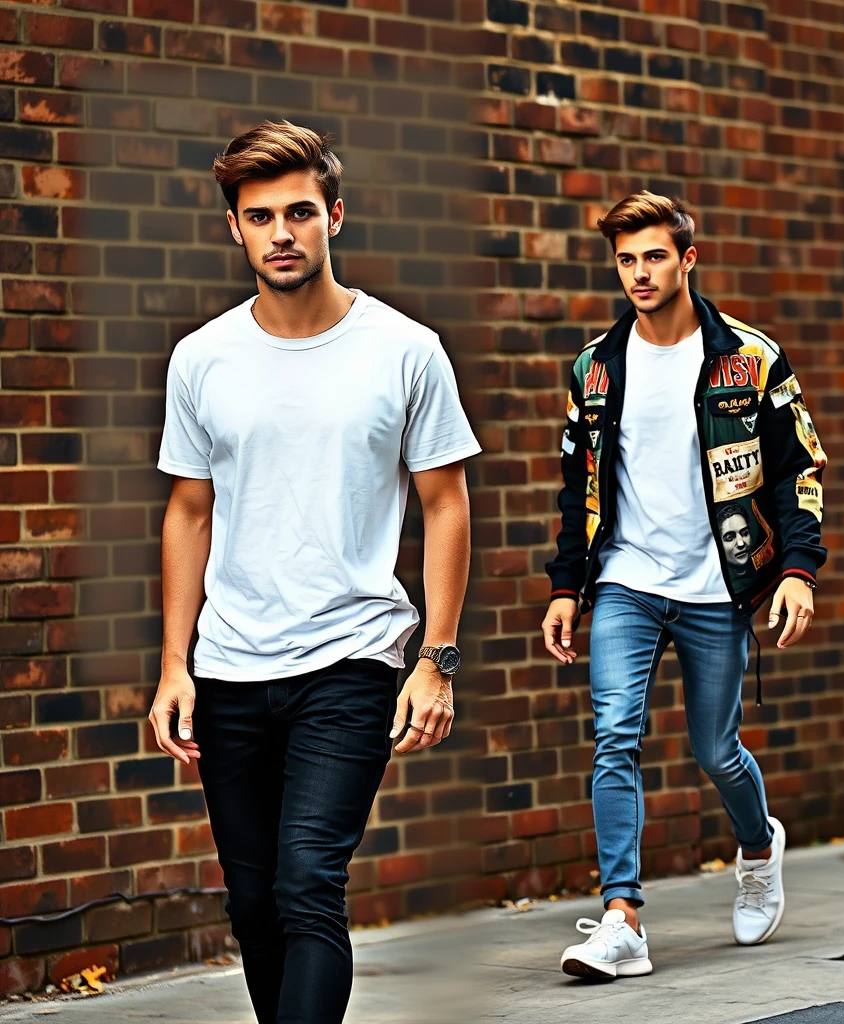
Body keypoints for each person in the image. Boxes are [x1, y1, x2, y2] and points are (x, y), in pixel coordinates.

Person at [148, 120, 480, 1023]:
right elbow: (189, 510)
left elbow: (445, 504)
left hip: (352, 659)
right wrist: (175, 664)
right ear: (236, 230)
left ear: (335, 214)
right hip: (229, 667)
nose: (282, 232)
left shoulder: (404, 350)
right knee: (253, 905)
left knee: (305, 885)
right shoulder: (202, 358)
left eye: (300, 211)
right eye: (260, 217)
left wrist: (435, 661)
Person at [541, 191, 827, 979]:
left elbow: (797, 472)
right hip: (627, 582)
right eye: (626, 259)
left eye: (654, 256)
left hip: (715, 586)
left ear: (688, 259)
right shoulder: (595, 369)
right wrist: (567, 586)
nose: (639, 272)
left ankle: (760, 846)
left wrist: (798, 572)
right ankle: (622, 917)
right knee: (615, 737)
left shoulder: (750, 359)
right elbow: (578, 490)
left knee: (715, 748)